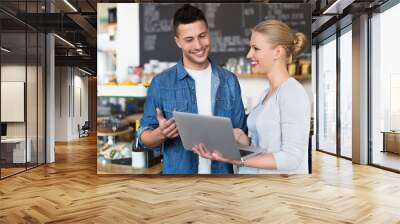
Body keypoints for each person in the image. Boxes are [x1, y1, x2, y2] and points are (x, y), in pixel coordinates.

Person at [138, 4, 246, 174]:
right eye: (189, 39)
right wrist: (161, 133)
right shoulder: (161, 83)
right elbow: (144, 138)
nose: (198, 45)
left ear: (209, 33)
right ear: (178, 42)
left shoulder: (229, 81)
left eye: (202, 36)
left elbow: (242, 138)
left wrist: (239, 139)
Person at [193, 20, 311, 174]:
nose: (249, 54)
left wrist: (234, 160)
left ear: (277, 52)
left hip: (279, 192)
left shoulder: (292, 93)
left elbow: (291, 158)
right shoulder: (266, 93)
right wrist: (243, 139)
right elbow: (263, 146)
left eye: (256, 48)